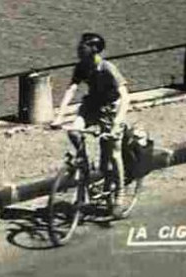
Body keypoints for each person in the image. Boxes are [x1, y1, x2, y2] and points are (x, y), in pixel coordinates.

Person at [52, 32, 132, 197]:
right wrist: (59, 115)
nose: (79, 50)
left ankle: (120, 195)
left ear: (94, 49)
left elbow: (124, 96)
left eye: (83, 47)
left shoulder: (107, 68)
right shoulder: (81, 67)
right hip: (91, 105)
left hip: (111, 109)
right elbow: (72, 89)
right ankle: (85, 166)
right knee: (74, 131)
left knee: (114, 153)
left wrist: (118, 122)